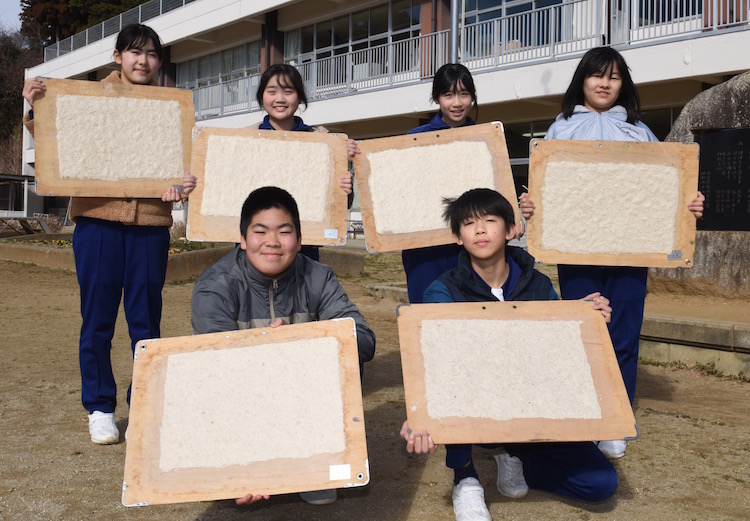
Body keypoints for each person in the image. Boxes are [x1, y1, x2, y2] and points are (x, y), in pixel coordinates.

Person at [520, 46, 705, 459]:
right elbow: (543, 189)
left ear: (624, 84)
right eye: (597, 75)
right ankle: (585, 410)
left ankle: (616, 418)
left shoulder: (640, 131)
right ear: (582, 81)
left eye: (614, 76)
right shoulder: (560, 130)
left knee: (622, 332)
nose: (605, 83)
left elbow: (667, 187)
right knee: (584, 329)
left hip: (630, 252)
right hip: (577, 252)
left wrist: (689, 204)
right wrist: (531, 206)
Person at [22, 24, 197, 445]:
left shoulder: (169, 108)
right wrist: (32, 108)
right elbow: (53, 140)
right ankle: (100, 407)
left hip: (152, 226)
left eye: (152, 54)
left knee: (146, 322)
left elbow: (186, 166)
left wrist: (183, 185)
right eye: (135, 52)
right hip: (97, 222)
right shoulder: (86, 98)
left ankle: (144, 403)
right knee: (97, 320)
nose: (144, 61)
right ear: (117, 56)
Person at [400, 188, 617, 521]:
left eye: (491, 220)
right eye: (470, 224)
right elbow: (437, 365)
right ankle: (466, 478)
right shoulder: (441, 291)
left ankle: (517, 455)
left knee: (600, 484)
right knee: (456, 374)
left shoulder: (538, 284)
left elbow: (558, 351)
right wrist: (419, 415)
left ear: (512, 228)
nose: (481, 230)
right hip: (476, 399)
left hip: (531, 401)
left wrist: (584, 318)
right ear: (458, 237)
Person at [191, 186, 376, 506]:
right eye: (260, 231)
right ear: (242, 238)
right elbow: (216, 374)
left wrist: (304, 341)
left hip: (301, 397)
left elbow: (364, 339)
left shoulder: (318, 277)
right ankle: (246, 465)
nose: (272, 242)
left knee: (346, 352)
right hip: (244, 397)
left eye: (284, 232)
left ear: (300, 240)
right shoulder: (215, 287)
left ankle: (314, 462)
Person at [399, 63, 525, 304]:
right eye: (448, 95)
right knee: (428, 314)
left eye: (464, 94)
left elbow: (500, 189)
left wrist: (513, 219)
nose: (456, 103)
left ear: (472, 98)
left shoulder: (488, 139)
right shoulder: (415, 139)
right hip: (425, 249)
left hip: (472, 243)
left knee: (472, 315)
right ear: (436, 98)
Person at [254, 63, 356, 261]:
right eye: (272, 91)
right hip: (257, 245)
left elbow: (341, 202)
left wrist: (345, 188)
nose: (280, 99)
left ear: (299, 97)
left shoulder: (324, 140)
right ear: (262, 96)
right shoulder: (244, 138)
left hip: (305, 245)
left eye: (288, 91)